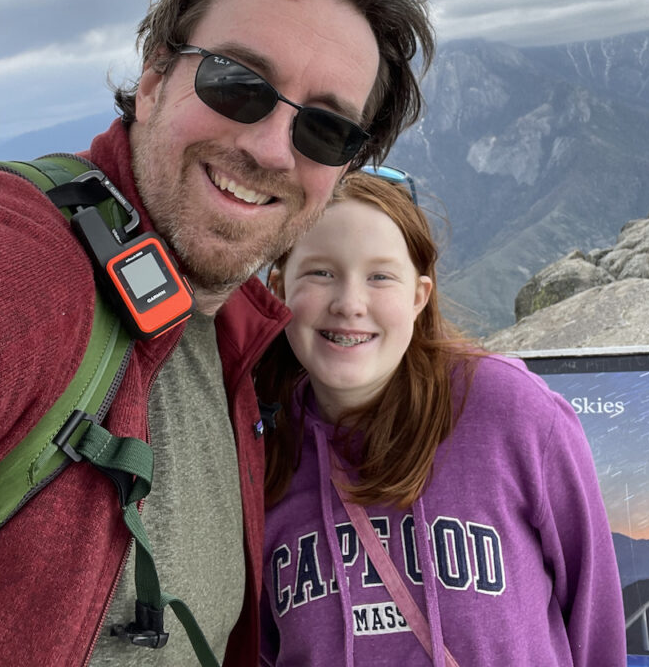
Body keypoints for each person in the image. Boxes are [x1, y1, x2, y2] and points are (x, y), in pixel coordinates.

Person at [0, 0, 434, 667]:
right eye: (239, 82)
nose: (270, 148)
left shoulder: (233, 336)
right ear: (156, 74)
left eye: (325, 129)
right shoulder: (33, 272)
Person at [257, 172, 627, 666]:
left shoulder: (511, 413)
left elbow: (593, 615)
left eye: (380, 275)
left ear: (418, 295)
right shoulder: (260, 450)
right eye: (320, 272)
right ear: (279, 290)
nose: (349, 303)